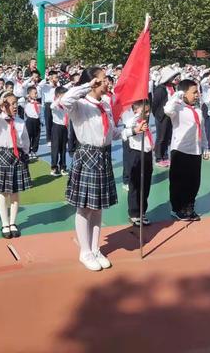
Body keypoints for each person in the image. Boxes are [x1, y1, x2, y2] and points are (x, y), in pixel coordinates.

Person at [59, 66, 121, 271]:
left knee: (98, 206)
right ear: (93, 81)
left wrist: (132, 130)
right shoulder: (79, 104)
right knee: (84, 207)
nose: (107, 82)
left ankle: (95, 249)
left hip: (103, 156)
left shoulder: (105, 105)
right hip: (87, 156)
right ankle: (84, 252)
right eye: (102, 79)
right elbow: (63, 101)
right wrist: (86, 86)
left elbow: (111, 134)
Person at [0, 92, 32, 239]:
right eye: (11, 103)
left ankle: (13, 223)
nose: (15, 106)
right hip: (2, 155)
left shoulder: (20, 121)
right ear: (4, 106)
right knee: (3, 192)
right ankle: (5, 224)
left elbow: (25, 140)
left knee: (15, 192)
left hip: (17, 156)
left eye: (16, 103)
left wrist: (25, 154)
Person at [164, 80, 208, 221]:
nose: (197, 95)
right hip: (181, 150)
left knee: (194, 182)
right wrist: (177, 96)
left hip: (195, 150)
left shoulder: (198, 110)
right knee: (178, 182)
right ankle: (177, 208)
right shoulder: (178, 108)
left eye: (197, 92)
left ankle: (189, 206)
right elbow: (167, 110)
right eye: (194, 92)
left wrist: (205, 146)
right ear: (184, 93)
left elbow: (202, 130)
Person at [122, 100, 153, 227]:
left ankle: (142, 211)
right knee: (135, 185)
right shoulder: (132, 121)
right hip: (136, 154)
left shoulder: (145, 122)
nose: (147, 113)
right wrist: (138, 115)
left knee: (146, 185)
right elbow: (130, 124)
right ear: (135, 111)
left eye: (148, 111)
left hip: (147, 154)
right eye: (144, 111)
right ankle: (134, 213)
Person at [152, 67, 180, 167]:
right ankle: (158, 157)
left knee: (168, 136)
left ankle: (165, 155)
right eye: (172, 77)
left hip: (170, 115)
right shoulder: (160, 89)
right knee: (161, 137)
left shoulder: (172, 87)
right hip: (162, 116)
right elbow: (155, 104)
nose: (174, 78)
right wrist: (158, 115)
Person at [50, 86, 69, 176]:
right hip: (56, 127)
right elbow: (52, 106)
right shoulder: (55, 104)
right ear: (58, 95)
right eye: (64, 95)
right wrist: (59, 99)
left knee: (63, 149)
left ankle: (63, 167)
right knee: (55, 148)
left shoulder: (65, 105)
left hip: (64, 127)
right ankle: (54, 168)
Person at [22, 86, 41, 160]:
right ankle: (28, 151)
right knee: (29, 136)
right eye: (34, 93)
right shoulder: (26, 103)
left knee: (37, 137)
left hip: (37, 120)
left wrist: (41, 121)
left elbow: (39, 113)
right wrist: (27, 98)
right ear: (29, 94)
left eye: (36, 93)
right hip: (30, 121)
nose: (36, 95)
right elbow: (22, 101)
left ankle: (34, 151)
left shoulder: (38, 103)